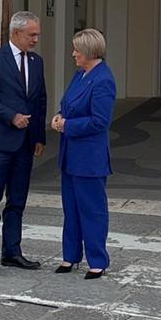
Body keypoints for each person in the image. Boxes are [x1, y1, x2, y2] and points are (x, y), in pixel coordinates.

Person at [0, 11, 47, 275]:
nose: (36, 39)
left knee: (17, 201)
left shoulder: (37, 63)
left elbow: (40, 101)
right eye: (32, 35)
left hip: (26, 145)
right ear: (16, 33)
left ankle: (12, 252)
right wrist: (10, 116)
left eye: (37, 34)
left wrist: (40, 136)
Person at [51, 28, 116, 279]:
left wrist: (67, 125)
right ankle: (70, 256)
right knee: (71, 209)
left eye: (76, 49)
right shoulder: (80, 75)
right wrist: (59, 116)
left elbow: (100, 121)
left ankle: (97, 261)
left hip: (89, 158)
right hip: (70, 156)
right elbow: (69, 104)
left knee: (92, 210)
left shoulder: (103, 80)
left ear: (88, 51)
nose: (73, 53)